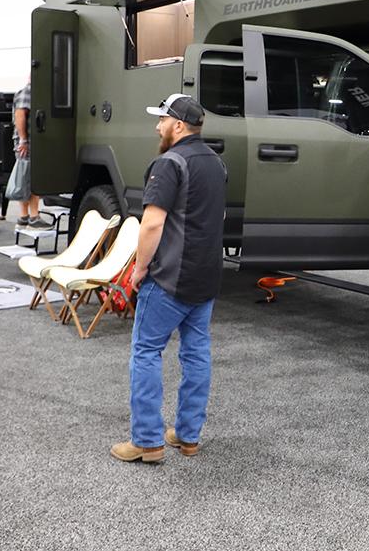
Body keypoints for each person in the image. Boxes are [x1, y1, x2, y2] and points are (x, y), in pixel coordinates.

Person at [112, 94, 226, 464]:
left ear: (177, 125)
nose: (157, 126)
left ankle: (147, 442)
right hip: (205, 277)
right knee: (196, 353)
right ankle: (188, 436)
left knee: (146, 351)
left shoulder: (168, 163)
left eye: (162, 120)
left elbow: (152, 224)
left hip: (169, 279)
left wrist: (139, 268)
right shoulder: (216, 163)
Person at [11, 79, 41, 227]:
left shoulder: (26, 92)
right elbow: (20, 114)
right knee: (32, 178)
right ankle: (34, 216)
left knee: (25, 178)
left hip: (25, 143)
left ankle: (24, 216)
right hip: (27, 144)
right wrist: (23, 140)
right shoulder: (28, 92)